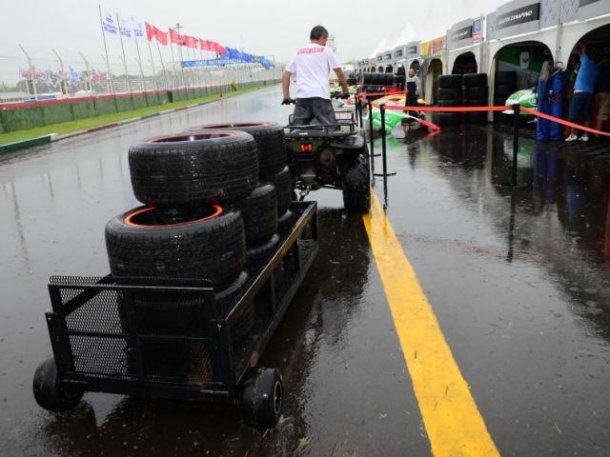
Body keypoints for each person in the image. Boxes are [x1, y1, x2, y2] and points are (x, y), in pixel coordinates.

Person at [282, 25, 349, 126]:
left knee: (296, 131)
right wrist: (345, 91)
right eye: (325, 40)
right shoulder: (327, 51)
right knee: (331, 130)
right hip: (321, 97)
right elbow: (339, 73)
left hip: (302, 98)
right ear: (322, 37)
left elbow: (286, 75)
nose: (325, 43)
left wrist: (286, 97)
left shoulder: (299, 52)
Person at [565, 44, 601, 142]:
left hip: (579, 92)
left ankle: (573, 134)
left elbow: (581, 52)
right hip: (589, 93)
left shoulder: (586, 61)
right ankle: (586, 135)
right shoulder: (597, 68)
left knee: (573, 113)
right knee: (586, 114)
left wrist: (580, 44)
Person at [594, 56, 610, 133]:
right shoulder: (604, 67)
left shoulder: (599, 67)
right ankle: (602, 132)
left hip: (602, 92)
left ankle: (597, 134)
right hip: (605, 92)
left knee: (601, 114)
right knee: (604, 113)